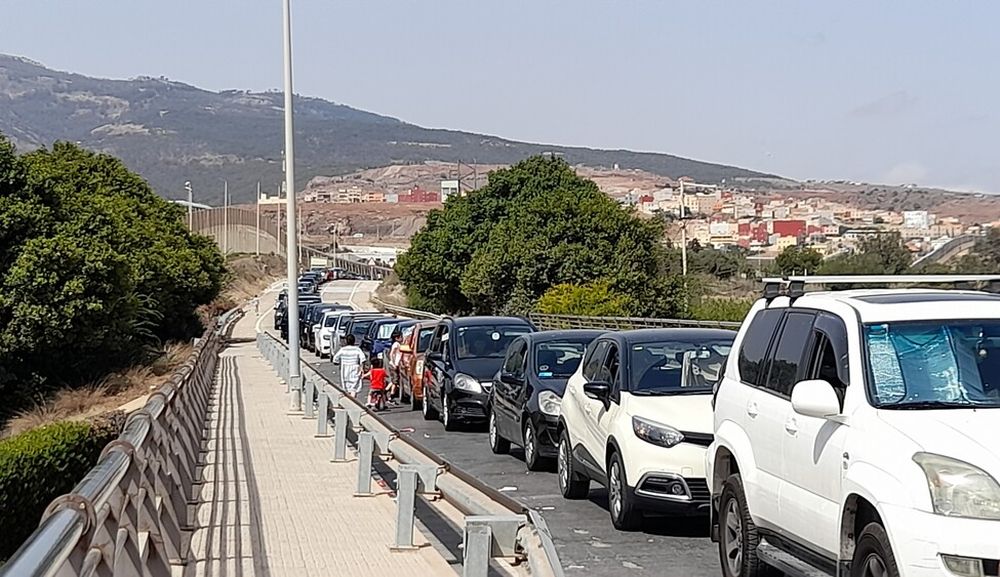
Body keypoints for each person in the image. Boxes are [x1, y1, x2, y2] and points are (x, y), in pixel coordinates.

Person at [386, 329, 404, 403]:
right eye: (401, 337)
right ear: (397, 338)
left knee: (394, 381)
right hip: (394, 365)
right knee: (395, 382)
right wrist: (393, 363)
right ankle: (391, 396)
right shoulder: (396, 344)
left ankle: (385, 391)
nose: (402, 338)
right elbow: (391, 354)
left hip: (396, 364)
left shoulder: (399, 344)